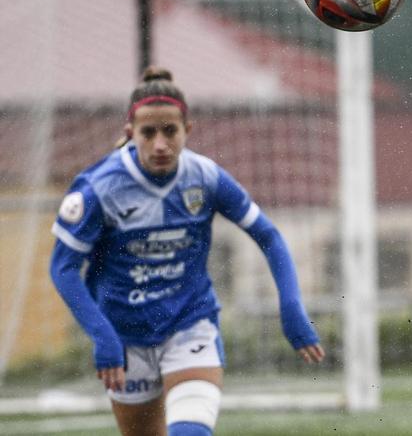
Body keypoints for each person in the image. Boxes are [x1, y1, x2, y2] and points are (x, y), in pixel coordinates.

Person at [49, 68, 325, 436]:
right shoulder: (100, 189)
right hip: (125, 333)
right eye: (149, 133)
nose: (160, 144)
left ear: (187, 130)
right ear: (131, 133)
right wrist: (103, 337)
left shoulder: (205, 177)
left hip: (189, 323)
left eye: (170, 131)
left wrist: (291, 308)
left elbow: (269, 236)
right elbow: (62, 268)